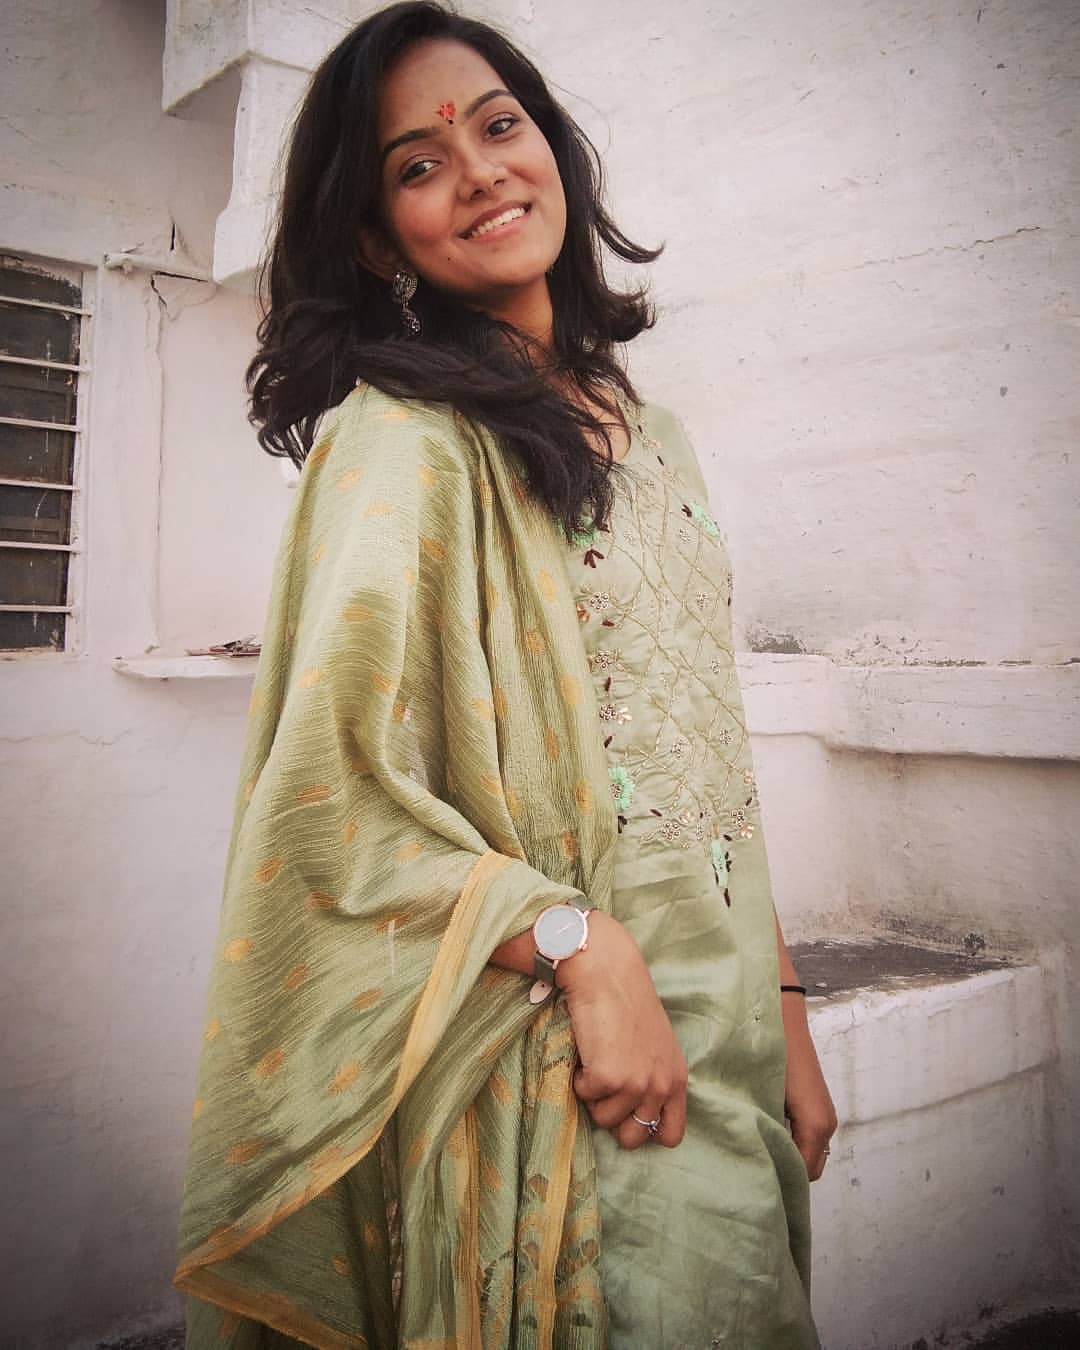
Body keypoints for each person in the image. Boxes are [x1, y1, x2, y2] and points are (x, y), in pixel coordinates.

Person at [174, 4, 837, 1347]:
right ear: (379, 239)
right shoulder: (405, 444)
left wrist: (785, 1013)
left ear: (552, 150)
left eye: (499, 125)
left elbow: (704, 747)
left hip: (729, 1029)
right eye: (419, 165)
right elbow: (327, 803)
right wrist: (584, 950)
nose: (478, 171)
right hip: (565, 1054)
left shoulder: (659, 435)